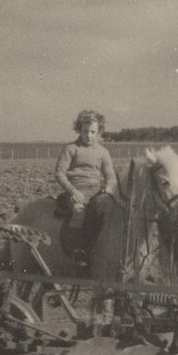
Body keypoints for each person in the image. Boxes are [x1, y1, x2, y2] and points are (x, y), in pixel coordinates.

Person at [54, 109, 118, 265]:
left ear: (99, 132)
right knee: (79, 213)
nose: (89, 135)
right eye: (85, 131)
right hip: (75, 192)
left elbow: (110, 175)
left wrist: (109, 186)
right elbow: (59, 174)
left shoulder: (103, 152)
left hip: (96, 193)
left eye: (93, 132)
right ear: (79, 130)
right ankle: (77, 252)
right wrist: (72, 191)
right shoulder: (70, 149)